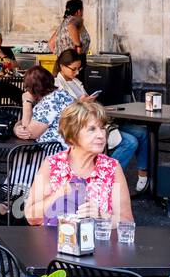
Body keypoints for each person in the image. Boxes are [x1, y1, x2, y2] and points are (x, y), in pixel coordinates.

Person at [52, 49, 150, 192]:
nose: (77, 72)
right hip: (84, 126)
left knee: (142, 132)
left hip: (100, 121)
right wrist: (80, 103)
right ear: (62, 66)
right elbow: (65, 113)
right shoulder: (57, 85)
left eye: (79, 69)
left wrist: (90, 103)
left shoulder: (75, 81)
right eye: (73, 69)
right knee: (130, 142)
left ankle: (143, 174)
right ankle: (102, 178)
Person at [25, 100, 133, 227]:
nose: (101, 135)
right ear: (72, 136)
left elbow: (127, 222)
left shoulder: (111, 168)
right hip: (56, 243)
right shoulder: (52, 165)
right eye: (92, 129)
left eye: (102, 128)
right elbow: (31, 217)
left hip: (98, 245)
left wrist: (101, 216)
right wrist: (58, 195)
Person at [14, 65, 74, 146]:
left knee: (15, 157)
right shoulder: (58, 94)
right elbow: (32, 120)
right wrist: (16, 127)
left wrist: (26, 102)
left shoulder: (50, 102)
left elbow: (29, 133)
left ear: (31, 89)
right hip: (63, 148)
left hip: (55, 151)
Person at [49, 0, 90, 64]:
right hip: (75, 62)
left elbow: (51, 44)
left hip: (62, 63)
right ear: (79, 11)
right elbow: (71, 26)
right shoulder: (77, 19)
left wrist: (61, 57)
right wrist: (78, 47)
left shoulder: (63, 24)